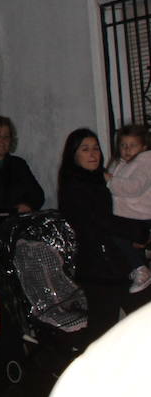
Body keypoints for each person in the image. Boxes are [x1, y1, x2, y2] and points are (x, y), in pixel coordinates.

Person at [57, 129, 150, 340]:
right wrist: (138, 233)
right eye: (85, 149)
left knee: (142, 321)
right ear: (74, 154)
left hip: (122, 264)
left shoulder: (103, 179)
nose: (93, 154)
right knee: (103, 331)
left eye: (96, 148)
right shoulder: (75, 185)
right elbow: (100, 221)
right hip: (100, 269)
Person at [105, 124, 151, 292]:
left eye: (133, 145)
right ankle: (139, 269)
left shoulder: (145, 162)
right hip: (128, 214)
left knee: (118, 236)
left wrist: (110, 180)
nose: (127, 149)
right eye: (124, 145)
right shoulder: (120, 162)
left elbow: (134, 188)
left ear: (144, 147)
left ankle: (140, 269)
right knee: (125, 243)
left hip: (140, 215)